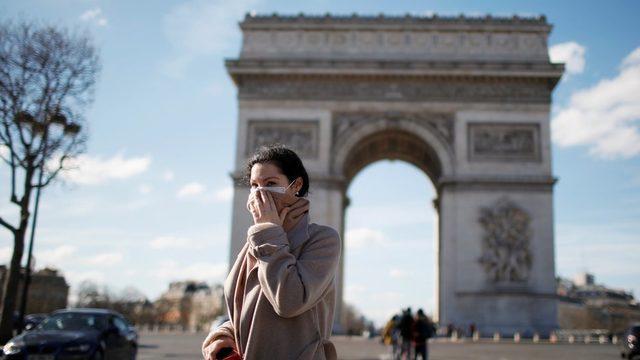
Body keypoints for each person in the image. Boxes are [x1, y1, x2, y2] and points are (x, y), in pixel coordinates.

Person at [201, 145, 342, 360]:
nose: (260, 193)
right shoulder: (253, 244)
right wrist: (224, 334)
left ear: (296, 185)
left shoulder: (322, 240)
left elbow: (289, 302)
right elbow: (247, 310)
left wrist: (268, 231)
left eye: (271, 184)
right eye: (254, 185)